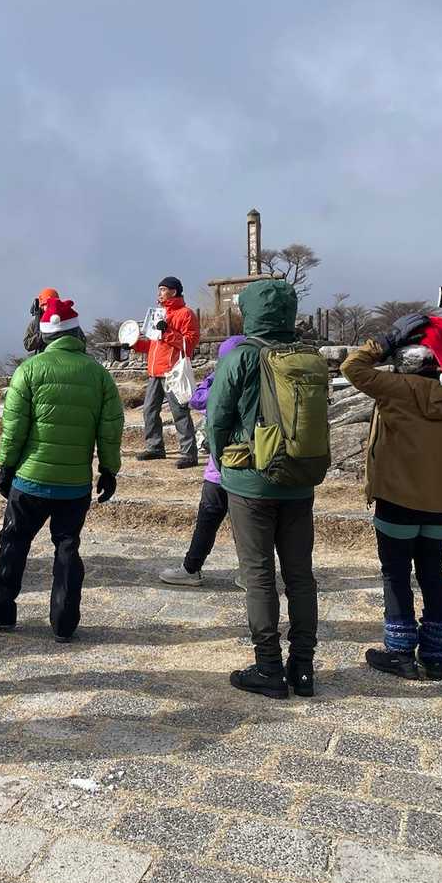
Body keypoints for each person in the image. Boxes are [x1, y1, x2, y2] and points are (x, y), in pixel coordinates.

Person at [0, 298, 122, 641]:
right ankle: (64, 622)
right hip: (75, 484)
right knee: (67, 547)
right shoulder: (99, 375)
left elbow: (13, 428)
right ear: (77, 333)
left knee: (13, 544)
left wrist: (6, 467)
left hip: (30, 481)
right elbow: (110, 429)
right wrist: (109, 469)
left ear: (46, 336)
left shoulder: (29, 371)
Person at [342, 315, 442, 681]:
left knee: (396, 574)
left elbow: (351, 367)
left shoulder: (395, 388)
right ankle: (435, 656)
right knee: (433, 574)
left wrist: (384, 340)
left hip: (396, 499)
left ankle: (400, 652)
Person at [206, 278, 317, 699]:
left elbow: (217, 417)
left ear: (251, 313)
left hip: (250, 482)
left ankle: (268, 667)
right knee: (300, 575)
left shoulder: (241, 356)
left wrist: (223, 462)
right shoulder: (307, 357)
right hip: (299, 479)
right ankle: (303, 668)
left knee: (259, 575)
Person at [161, 335, 245, 587]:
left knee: (207, 521)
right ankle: (252, 574)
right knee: (249, 528)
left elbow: (196, 398)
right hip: (250, 469)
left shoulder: (220, 387)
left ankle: (191, 569)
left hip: (220, 469)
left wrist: (214, 376)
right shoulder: (257, 386)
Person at [133, 276, 200, 469]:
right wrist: (135, 344)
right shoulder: (158, 314)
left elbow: (190, 344)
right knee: (149, 410)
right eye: (159, 289)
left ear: (174, 291)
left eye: (163, 289)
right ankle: (155, 447)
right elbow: (153, 345)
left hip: (173, 372)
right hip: (155, 372)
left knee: (179, 412)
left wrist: (167, 332)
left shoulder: (186, 314)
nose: (159, 293)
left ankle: (189, 454)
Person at [23, 287, 60, 354]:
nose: (49, 307)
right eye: (47, 304)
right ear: (41, 306)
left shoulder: (65, 320)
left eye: (52, 304)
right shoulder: (35, 323)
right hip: (43, 356)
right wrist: (43, 334)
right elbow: (27, 345)